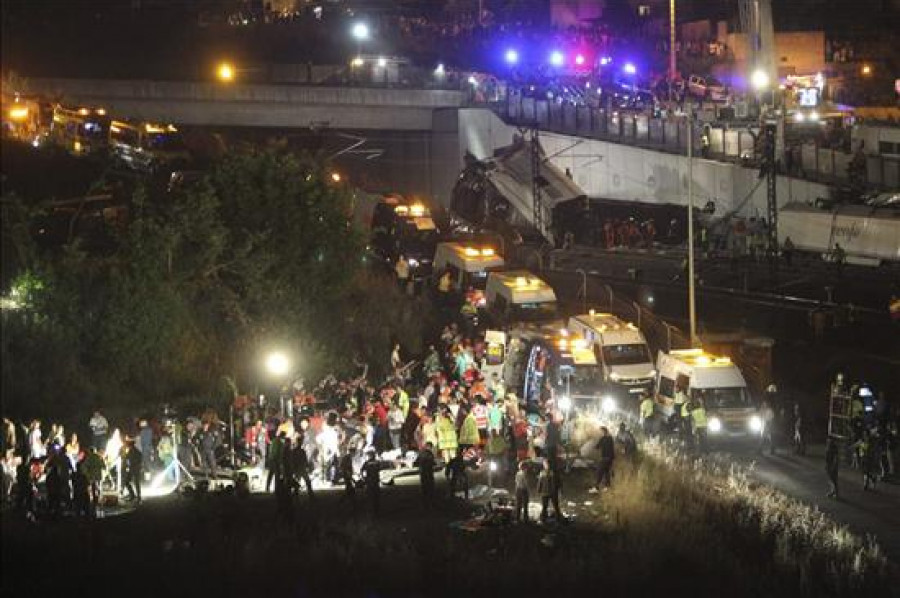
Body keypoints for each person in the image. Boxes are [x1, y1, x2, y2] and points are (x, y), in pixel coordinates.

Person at [413, 441, 436, 507]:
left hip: (422, 471)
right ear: (430, 447)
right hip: (429, 471)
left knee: (424, 485)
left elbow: (416, 462)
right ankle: (430, 499)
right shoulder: (430, 454)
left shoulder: (421, 453)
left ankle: (425, 498)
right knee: (430, 485)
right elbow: (432, 462)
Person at [361, 449, 382, 516]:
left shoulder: (366, 463)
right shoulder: (377, 462)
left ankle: (371, 511)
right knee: (376, 497)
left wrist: (363, 478)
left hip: (369, 481)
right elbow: (379, 469)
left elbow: (362, 471)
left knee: (370, 497)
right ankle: (376, 511)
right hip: (375, 481)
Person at [593, 427, 615, 491]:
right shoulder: (610, 438)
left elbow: (597, 447)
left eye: (600, 432)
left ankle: (596, 487)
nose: (599, 433)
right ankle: (607, 487)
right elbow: (612, 449)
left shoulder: (603, 439)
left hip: (605, 458)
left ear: (603, 432)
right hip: (610, 458)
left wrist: (594, 445)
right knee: (606, 472)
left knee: (599, 471)